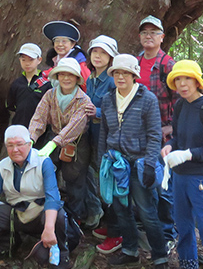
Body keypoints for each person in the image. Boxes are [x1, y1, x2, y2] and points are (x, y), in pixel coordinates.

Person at [98, 54, 168, 268]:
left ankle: (160, 256)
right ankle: (129, 250)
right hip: (116, 163)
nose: (120, 77)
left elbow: (155, 134)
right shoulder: (108, 99)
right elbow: (104, 132)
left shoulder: (147, 99)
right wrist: (101, 160)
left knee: (147, 211)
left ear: (134, 76)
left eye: (125, 73)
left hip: (139, 163)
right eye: (117, 73)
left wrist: (149, 164)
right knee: (121, 209)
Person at [0, 125, 70, 268]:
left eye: (19, 144)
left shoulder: (43, 162)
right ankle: (10, 244)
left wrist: (49, 228)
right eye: (10, 145)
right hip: (17, 213)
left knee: (58, 215)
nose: (15, 149)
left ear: (29, 144)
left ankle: (63, 256)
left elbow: (53, 198)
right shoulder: (2, 167)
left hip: (41, 215)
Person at [161, 60, 203, 269]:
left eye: (187, 78)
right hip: (179, 177)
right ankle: (188, 265)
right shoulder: (180, 105)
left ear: (197, 81)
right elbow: (178, 138)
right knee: (184, 229)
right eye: (178, 79)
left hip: (202, 179)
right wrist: (171, 147)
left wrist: (188, 155)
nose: (182, 84)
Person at [29, 57, 94, 224]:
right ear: (57, 77)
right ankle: (44, 215)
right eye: (62, 74)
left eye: (70, 75)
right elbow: (39, 118)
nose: (66, 78)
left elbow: (75, 126)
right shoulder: (50, 95)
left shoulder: (83, 100)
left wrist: (54, 143)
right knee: (46, 175)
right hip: (54, 137)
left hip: (77, 143)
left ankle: (75, 219)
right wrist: (30, 139)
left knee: (75, 181)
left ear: (77, 78)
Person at [136, 15, 179, 247]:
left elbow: (180, 99)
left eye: (154, 32)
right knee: (142, 179)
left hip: (162, 136)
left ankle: (167, 234)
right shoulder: (134, 62)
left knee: (164, 186)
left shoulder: (167, 65)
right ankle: (146, 226)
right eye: (144, 32)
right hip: (137, 135)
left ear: (162, 37)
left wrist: (172, 127)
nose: (149, 36)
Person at [83, 36, 122, 253]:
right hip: (93, 135)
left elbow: (118, 110)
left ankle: (118, 232)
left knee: (111, 182)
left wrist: (95, 112)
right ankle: (109, 223)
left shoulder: (112, 80)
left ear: (111, 57)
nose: (98, 56)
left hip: (108, 138)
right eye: (95, 52)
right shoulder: (91, 79)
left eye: (103, 53)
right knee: (99, 179)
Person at [6, 43, 51, 127]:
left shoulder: (47, 84)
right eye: (23, 60)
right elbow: (11, 105)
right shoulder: (16, 83)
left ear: (39, 60)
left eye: (31, 60)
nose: (27, 63)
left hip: (39, 129)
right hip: (18, 127)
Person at [42, 21, 91, 90]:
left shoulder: (80, 63)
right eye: (57, 41)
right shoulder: (55, 60)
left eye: (64, 41)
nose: (60, 44)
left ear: (72, 44)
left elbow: (87, 86)